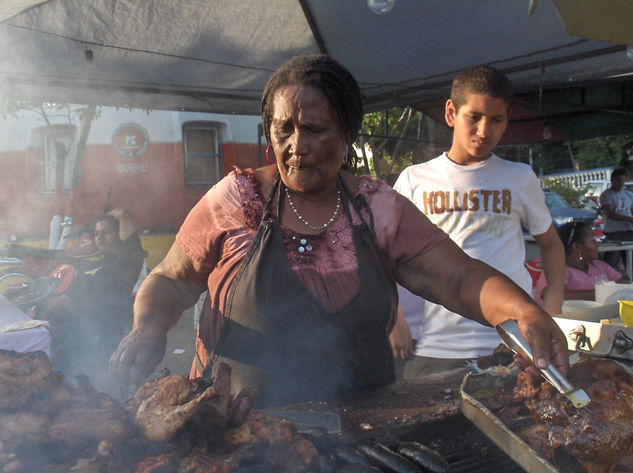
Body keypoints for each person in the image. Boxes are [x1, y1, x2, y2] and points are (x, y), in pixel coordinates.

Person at [109, 55, 569, 407]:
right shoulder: (235, 201)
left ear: (347, 131)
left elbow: (459, 278)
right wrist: (148, 326)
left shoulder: (378, 209)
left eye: (314, 129)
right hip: (236, 432)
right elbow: (170, 279)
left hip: (360, 432)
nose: (296, 147)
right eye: (283, 129)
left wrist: (523, 311)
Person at [393, 65, 565, 379]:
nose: (484, 131)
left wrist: (552, 300)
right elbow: (384, 255)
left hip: (511, 342)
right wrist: (394, 317)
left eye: (496, 120)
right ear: (451, 113)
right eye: (474, 117)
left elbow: (550, 243)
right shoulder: (414, 180)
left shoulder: (520, 177)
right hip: (434, 344)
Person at [43, 208, 147, 377]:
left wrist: (104, 215)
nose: (99, 237)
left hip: (99, 334)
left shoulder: (128, 258)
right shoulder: (99, 259)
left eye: (106, 232)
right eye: (97, 233)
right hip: (76, 329)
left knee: (86, 380)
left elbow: (123, 214)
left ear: (119, 235)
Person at [534, 221, 630, 302]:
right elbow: (556, 296)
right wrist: (603, 293)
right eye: (592, 241)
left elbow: (624, 284)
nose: (597, 245)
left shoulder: (600, 266)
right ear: (577, 247)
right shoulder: (557, 270)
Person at [599, 168, 633, 271]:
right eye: (618, 180)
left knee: (630, 260)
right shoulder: (607, 195)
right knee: (611, 260)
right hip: (614, 232)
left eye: (623, 181)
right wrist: (628, 218)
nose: (621, 183)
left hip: (629, 231)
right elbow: (609, 213)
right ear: (612, 180)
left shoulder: (629, 194)